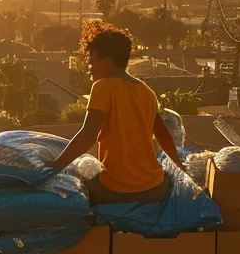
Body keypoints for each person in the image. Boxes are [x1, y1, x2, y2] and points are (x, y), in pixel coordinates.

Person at [50, 23, 182, 204]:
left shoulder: (103, 87)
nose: (90, 67)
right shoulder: (146, 91)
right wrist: (180, 168)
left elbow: (88, 134)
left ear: (107, 61)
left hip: (116, 187)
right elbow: (163, 135)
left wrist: (55, 166)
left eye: (93, 60)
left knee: (76, 189)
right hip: (155, 188)